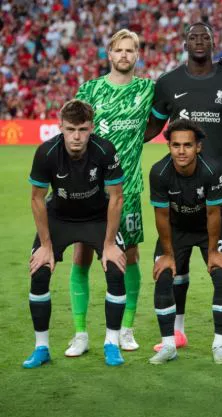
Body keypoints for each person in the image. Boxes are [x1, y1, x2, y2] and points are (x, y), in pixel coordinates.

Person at [144, 22, 222, 352]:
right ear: (184, 43)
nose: (199, 41)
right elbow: (152, 126)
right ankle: (177, 330)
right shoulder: (168, 83)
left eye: (204, 37)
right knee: (175, 260)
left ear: (213, 43)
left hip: (219, 184)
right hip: (178, 187)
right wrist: (119, 136)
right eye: (193, 37)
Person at [65, 29, 154, 356]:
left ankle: (126, 329)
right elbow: (73, 136)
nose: (124, 55)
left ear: (137, 55)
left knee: (128, 256)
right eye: (119, 49)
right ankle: (80, 333)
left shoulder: (147, 89)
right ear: (109, 53)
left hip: (128, 189)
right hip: (89, 191)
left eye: (131, 50)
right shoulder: (89, 90)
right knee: (81, 255)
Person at [24, 100, 127, 368]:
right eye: (71, 129)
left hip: (97, 217)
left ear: (92, 127)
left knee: (116, 268)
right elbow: (37, 199)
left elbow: (116, 198)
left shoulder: (105, 150)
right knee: (39, 271)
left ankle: (112, 343)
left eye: (82, 129)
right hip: (59, 217)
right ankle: (41, 348)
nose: (77, 136)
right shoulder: (47, 152)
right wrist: (45, 245)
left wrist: (109, 244)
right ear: (60, 128)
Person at [148, 119, 222, 365]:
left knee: (221, 275)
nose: (181, 151)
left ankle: (219, 344)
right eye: (176, 145)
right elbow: (162, 216)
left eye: (187, 145)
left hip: (209, 229)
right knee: (164, 276)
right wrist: (167, 253)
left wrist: (214, 251)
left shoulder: (212, 169)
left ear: (198, 147)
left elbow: (213, 213)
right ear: (169, 147)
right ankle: (168, 345)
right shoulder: (159, 172)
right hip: (176, 229)